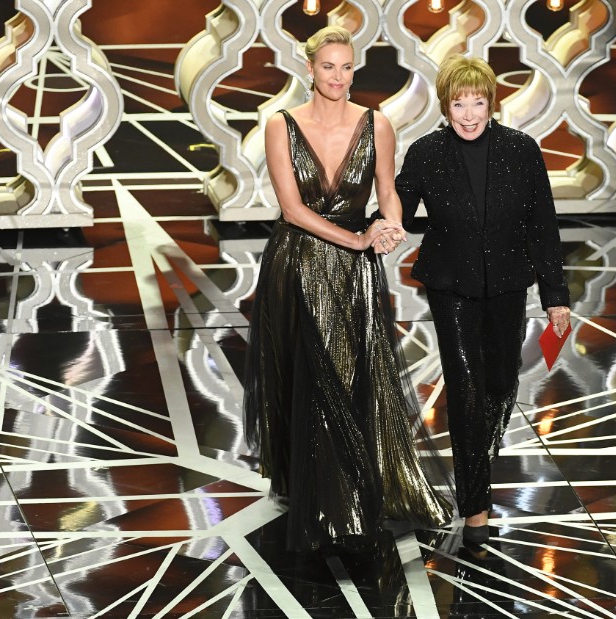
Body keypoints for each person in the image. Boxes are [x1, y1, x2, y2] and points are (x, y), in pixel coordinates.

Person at [242, 25, 452, 553]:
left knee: (354, 373)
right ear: (309, 68)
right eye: (329, 66)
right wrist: (357, 240)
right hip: (299, 265)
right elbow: (292, 210)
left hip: (356, 271)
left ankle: (354, 488)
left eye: (347, 67)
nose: (339, 77)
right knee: (312, 377)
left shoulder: (377, 123)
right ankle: (325, 500)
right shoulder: (280, 125)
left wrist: (391, 224)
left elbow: (388, 190)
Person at [394, 55, 571, 545]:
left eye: (478, 102)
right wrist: (361, 222)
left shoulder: (522, 150)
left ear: (493, 103)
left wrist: (556, 297)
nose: (468, 113)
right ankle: (476, 506)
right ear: (445, 105)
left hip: (509, 285)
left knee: (499, 385)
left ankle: (477, 469)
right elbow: (400, 213)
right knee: (465, 388)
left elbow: (543, 227)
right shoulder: (426, 152)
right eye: (458, 103)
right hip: (451, 285)